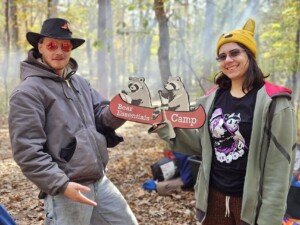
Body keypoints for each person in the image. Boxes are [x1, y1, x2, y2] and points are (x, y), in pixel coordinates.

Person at [149, 18, 297, 225]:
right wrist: (165, 127)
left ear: (250, 55)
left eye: (235, 53)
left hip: (251, 204)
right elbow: (201, 145)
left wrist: (269, 219)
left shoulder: (275, 103)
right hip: (213, 198)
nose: (228, 60)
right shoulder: (210, 99)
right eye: (222, 56)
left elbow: (279, 169)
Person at [8, 18, 138, 225]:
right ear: (40, 46)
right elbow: (27, 151)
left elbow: (101, 118)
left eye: (65, 45)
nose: (59, 51)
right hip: (66, 188)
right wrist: (62, 185)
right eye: (51, 45)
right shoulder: (27, 92)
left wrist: (122, 107)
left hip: (99, 181)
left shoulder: (79, 82)